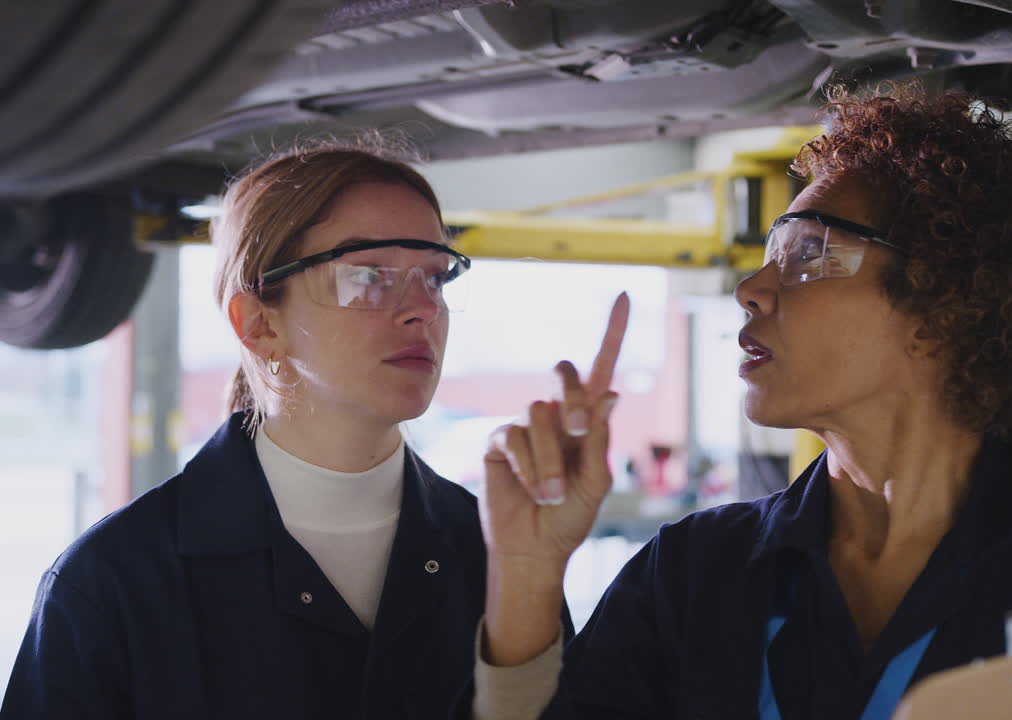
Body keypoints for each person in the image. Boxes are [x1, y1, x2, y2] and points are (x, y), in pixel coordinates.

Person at [473, 86, 1012, 719]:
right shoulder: (693, 576)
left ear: (947, 304)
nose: (752, 289)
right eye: (766, 256)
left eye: (809, 252)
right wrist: (530, 576)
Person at [0, 140, 621, 719]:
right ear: (258, 325)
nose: (425, 309)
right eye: (367, 275)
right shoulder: (116, 582)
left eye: (435, 275)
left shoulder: (501, 554)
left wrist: (530, 581)